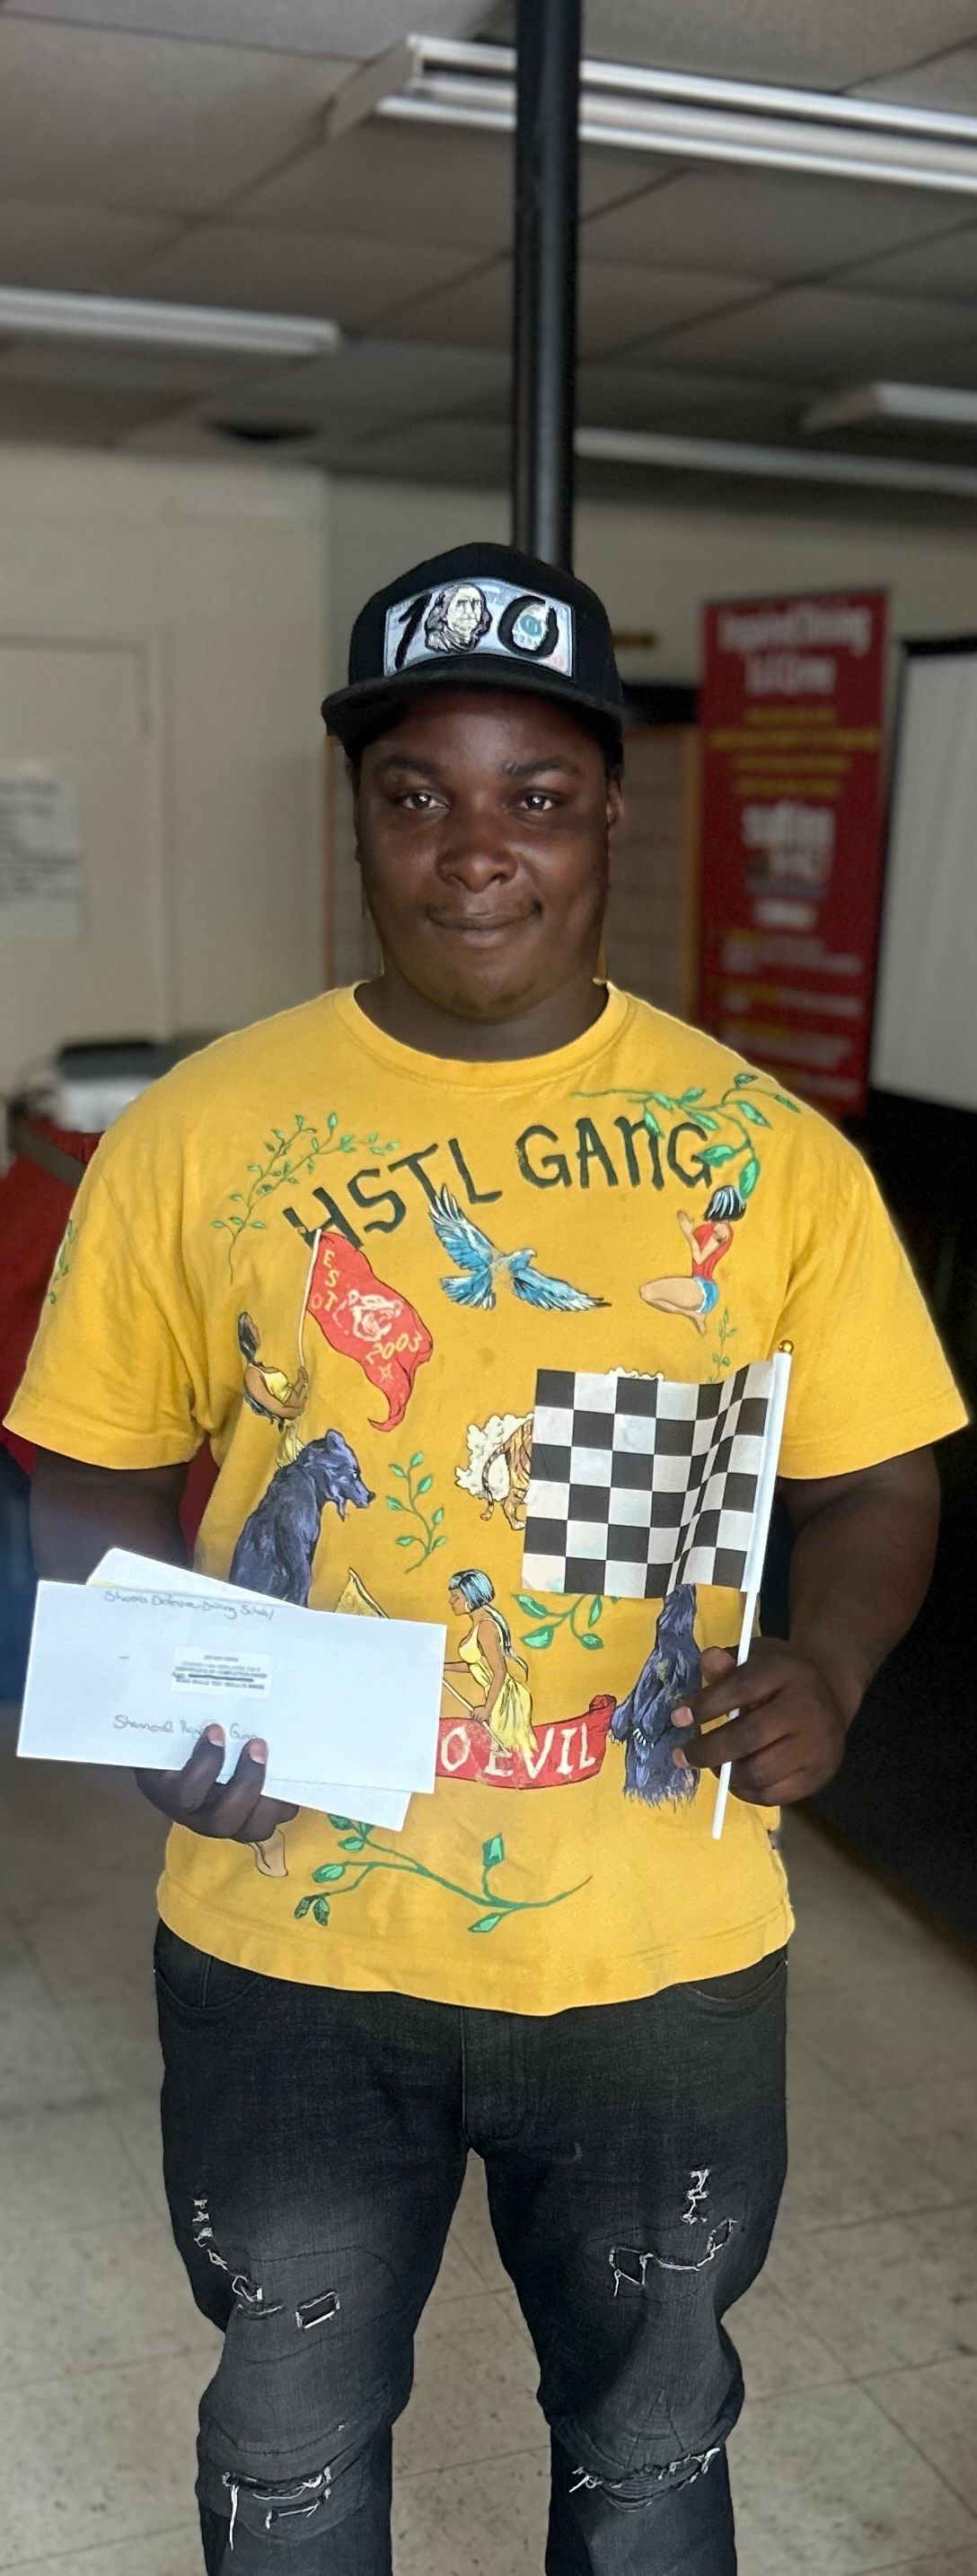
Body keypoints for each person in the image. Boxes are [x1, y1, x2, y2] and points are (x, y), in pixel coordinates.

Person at [7, 539, 964, 2576]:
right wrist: (162, 1699)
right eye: (416, 793)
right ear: (359, 813)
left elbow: (880, 1476)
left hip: (654, 1949)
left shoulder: (758, 1154)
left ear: (605, 808)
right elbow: (84, 1470)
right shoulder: (201, 1131)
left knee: (644, 2442)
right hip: (290, 1939)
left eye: (532, 795)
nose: (473, 852)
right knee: (287, 2439)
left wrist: (834, 1665)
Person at [444, 1564, 536, 1755]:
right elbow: (476, 1666)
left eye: (456, 1597)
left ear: (470, 1598)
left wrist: (487, 1708)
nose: (451, 1601)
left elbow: (500, 1671)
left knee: (508, 1755)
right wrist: (444, 1668)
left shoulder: (486, 1627)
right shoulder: (479, 1623)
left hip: (505, 1699)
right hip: (497, 1695)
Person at [640, 1185, 744, 1334]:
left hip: (703, 1288)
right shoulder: (716, 1227)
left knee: (647, 1292)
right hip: (698, 1284)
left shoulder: (721, 1229)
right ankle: (694, 1315)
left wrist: (689, 1234)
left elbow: (700, 1259)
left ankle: (695, 1315)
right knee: (646, 1293)